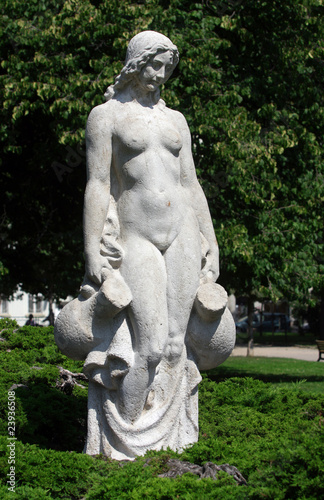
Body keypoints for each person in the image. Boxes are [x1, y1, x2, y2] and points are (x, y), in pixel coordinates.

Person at [83, 31, 219, 424]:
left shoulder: (176, 120)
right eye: (155, 65)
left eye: (168, 68)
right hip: (136, 236)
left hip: (181, 234)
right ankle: (127, 438)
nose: (161, 75)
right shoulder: (106, 116)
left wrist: (210, 240)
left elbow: (191, 185)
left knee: (177, 347)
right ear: (136, 63)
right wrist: (92, 246)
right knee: (151, 345)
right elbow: (97, 183)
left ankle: (170, 443)